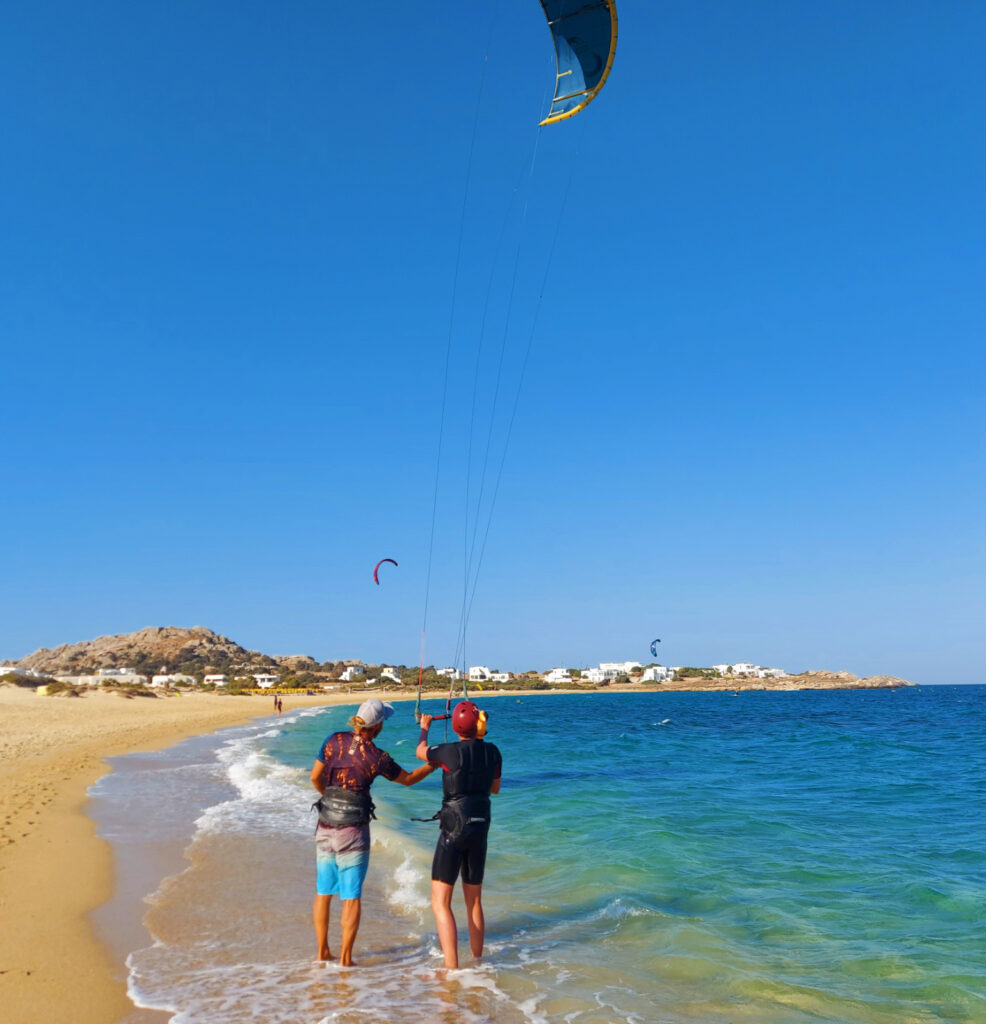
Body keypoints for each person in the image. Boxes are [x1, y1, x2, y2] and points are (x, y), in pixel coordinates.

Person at [310, 698, 435, 965]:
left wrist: (330, 799)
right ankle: (345, 959)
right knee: (351, 896)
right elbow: (410, 779)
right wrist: (434, 764)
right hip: (353, 831)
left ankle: (322, 952)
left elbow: (314, 778)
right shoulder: (377, 757)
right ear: (377, 726)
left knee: (324, 891)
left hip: (324, 824)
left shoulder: (333, 740)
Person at [416, 700, 502, 968]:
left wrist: (424, 729)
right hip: (481, 825)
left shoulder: (449, 752)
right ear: (479, 725)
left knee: (441, 903)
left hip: (454, 826)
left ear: (455, 726)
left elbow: (420, 752)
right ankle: (477, 962)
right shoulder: (493, 752)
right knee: (474, 901)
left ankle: (452, 970)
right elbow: (495, 789)